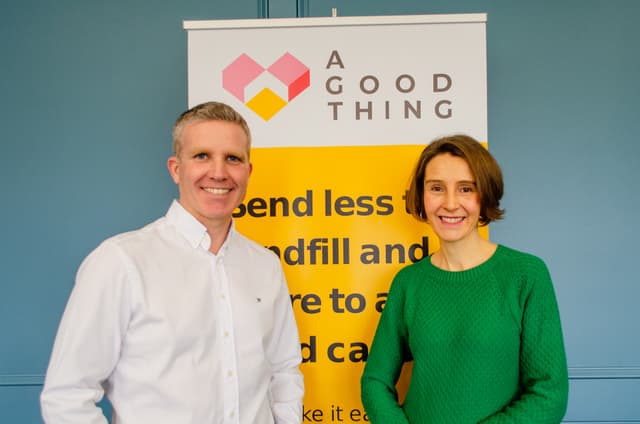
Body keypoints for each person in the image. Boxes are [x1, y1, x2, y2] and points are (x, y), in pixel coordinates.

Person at [40, 101, 304, 424]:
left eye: (232, 158)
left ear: (248, 171)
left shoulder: (266, 266)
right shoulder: (121, 262)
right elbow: (67, 396)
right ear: (176, 168)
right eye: (202, 156)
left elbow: (283, 371)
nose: (218, 172)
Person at [361, 134, 568, 423]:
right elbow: (374, 381)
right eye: (436, 188)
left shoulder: (526, 275)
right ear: (421, 195)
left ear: (486, 194)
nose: (450, 203)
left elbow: (549, 394)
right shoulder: (408, 282)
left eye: (466, 189)